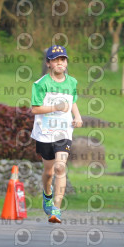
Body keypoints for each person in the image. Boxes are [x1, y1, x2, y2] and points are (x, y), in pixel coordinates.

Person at [30, 45, 82, 223]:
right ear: (48, 63)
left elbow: (72, 100)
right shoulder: (41, 84)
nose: (60, 63)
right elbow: (35, 109)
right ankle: (47, 193)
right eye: (56, 59)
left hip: (64, 131)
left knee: (61, 167)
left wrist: (77, 115)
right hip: (45, 133)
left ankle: (56, 209)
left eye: (63, 59)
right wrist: (55, 107)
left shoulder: (72, 82)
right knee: (49, 172)